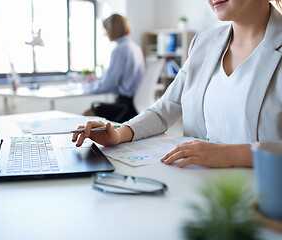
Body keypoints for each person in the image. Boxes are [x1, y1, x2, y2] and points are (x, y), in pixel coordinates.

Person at [73, 0, 282, 168]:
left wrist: (232, 154)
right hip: (198, 186)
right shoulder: (203, 43)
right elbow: (164, 110)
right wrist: (119, 134)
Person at [83, 14, 145, 123]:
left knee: (86, 116)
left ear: (111, 30)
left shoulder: (120, 50)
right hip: (138, 105)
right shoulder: (135, 47)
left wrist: (88, 86)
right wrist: (100, 81)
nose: (105, 33)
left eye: (106, 30)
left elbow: (108, 85)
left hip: (125, 107)